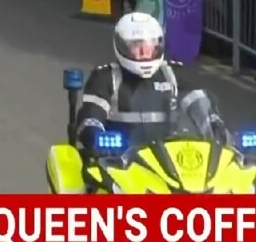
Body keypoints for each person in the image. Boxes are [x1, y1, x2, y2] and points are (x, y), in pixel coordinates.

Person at [75, 12, 180, 151]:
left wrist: (212, 123)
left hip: (167, 160)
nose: (145, 53)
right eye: (137, 46)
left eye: (150, 46)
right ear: (122, 46)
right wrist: (95, 135)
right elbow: (91, 115)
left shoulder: (171, 74)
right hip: (119, 161)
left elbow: (198, 105)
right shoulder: (106, 77)